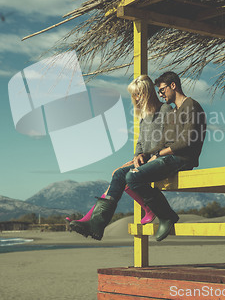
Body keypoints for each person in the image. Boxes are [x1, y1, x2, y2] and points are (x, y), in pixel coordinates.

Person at [70, 71, 207, 241]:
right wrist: (145, 154)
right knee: (120, 174)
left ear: (173, 86)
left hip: (181, 159)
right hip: (165, 156)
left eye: (162, 90)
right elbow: (163, 141)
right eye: (158, 91)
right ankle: (97, 224)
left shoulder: (191, 106)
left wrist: (158, 154)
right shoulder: (174, 112)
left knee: (133, 178)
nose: (160, 94)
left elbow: (187, 141)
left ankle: (166, 215)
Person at [67, 75, 172, 229]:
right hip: (146, 160)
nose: (137, 98)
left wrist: (147, 155)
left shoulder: (165, 110)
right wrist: (137, 156)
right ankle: (89, 221)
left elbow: (168, 140)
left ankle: (94, 222)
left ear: (149, 92)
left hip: (160, 160)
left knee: (120, 175)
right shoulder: (144, 117)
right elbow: (141, 143)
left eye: (139, 93)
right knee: (118, 173)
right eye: (134, 95)